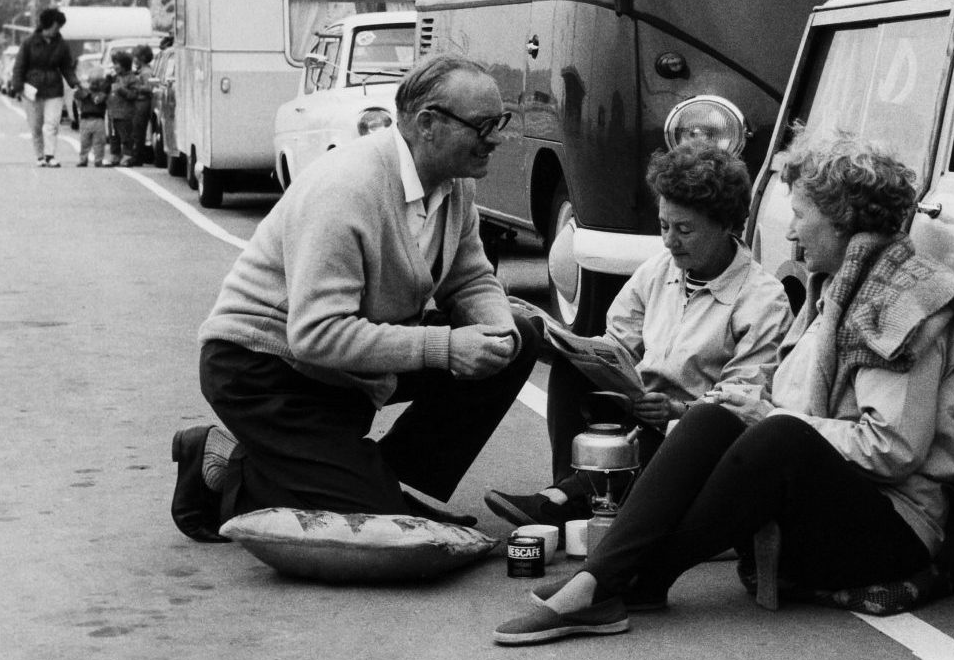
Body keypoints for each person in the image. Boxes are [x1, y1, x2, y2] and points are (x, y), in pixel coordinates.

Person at [494, 134, 954, 645]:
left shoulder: (900, 305)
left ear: (844, 218)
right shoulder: (840, 283)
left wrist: (767, 418)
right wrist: (746, 407)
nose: (791, 233)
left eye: (801, 215)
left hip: (893, 531)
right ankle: (611, 580)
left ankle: (622, 578)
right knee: (716, 413)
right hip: (826, 509)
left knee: (775, 433)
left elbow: (893, 449)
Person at [171, 54, 534, 543]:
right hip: (264, 372)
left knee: (522, 337)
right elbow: (314, 335)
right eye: (485, 125)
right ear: (428, 124)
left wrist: (496, 332)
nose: (497, 138)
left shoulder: (454, 184)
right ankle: (223, 462)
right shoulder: (347, 188)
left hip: (341, 369)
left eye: (501, 122)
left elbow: (468, 278)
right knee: (382, 525)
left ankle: (367, 474)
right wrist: (448, 347)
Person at [483, 144, 792, 529]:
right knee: (569, 369)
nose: (669, 240)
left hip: (696, 432)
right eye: (664, 226)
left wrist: (680, 411)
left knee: (668, 434)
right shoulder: (659, 269)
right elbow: (617, 341)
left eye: (684, 230)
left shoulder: (763, 299)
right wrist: (564, 344)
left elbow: (748, 399)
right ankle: (568, 489)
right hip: (641, 404)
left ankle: (568, 501)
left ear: (727, 224)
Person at [10, 7, 79, 167]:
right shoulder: (29, 43)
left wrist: (74, 82)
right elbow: (19, 65)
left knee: (52, 124)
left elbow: (66, 67)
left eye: (59, 27)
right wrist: (18, 86)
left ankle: (49, 155)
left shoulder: (62, 45)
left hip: (54, 88)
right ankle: (39, 156)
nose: (57, 30)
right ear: (46, 25)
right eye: (56, 26)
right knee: (36, 125)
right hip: (31, 89)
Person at [105, 50, 148, 167]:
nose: (114, 66)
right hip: (113, 113)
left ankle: (128, 156)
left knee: (126, 137)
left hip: (126, 114)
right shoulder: (114, 78)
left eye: (117, 64)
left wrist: (121, 90)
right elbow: (106, 91)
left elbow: (134, 95)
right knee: (114, 137)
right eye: (114, 63)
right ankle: (115, 155)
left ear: (124, 64)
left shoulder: (132, 78)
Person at [72, 65, 112, 167]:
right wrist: (81, 88)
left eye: (97, 82)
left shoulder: (102, 94)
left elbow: (99, 99)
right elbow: (77, 95)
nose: (94, 85)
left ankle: (98, 159)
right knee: (84, 142)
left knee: (99, 142)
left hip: (98, 120)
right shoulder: (84, 92)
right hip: (85, 120)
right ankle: (83, 159)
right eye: (92, 82)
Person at [129, 44, 158, 164]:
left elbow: (149, 88)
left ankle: (138, 157)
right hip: (140, 102)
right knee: (137, 130)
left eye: (136, 57)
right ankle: (137, 155)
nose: (134, 59)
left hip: (143, 102)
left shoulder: (146, 72)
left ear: (142, 57)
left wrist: (136, 87)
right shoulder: (141, 71)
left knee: (139, 130)